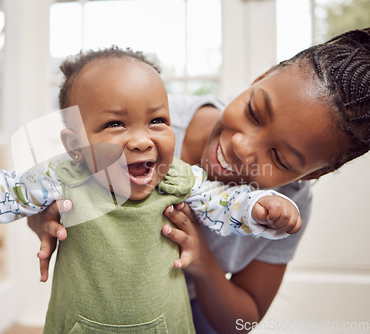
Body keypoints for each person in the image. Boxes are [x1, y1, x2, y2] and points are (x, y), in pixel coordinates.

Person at [0, 47, 302, 333]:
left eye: (157, 121)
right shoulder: (62, 177)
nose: (141, 140)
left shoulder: (179, 179)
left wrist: (265, 206)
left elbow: (226, 204)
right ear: (74, 145)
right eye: (116, 125)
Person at [30, 27, 370, 333]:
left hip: (199, 310)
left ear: (314, 173)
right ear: (260, 78)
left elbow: (242, 320)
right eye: (254, 112)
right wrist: (44, 217)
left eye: (279, 158)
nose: (241, 146)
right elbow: (55, 189)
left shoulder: (284, 208)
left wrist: (203, 262)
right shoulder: (140, 123)